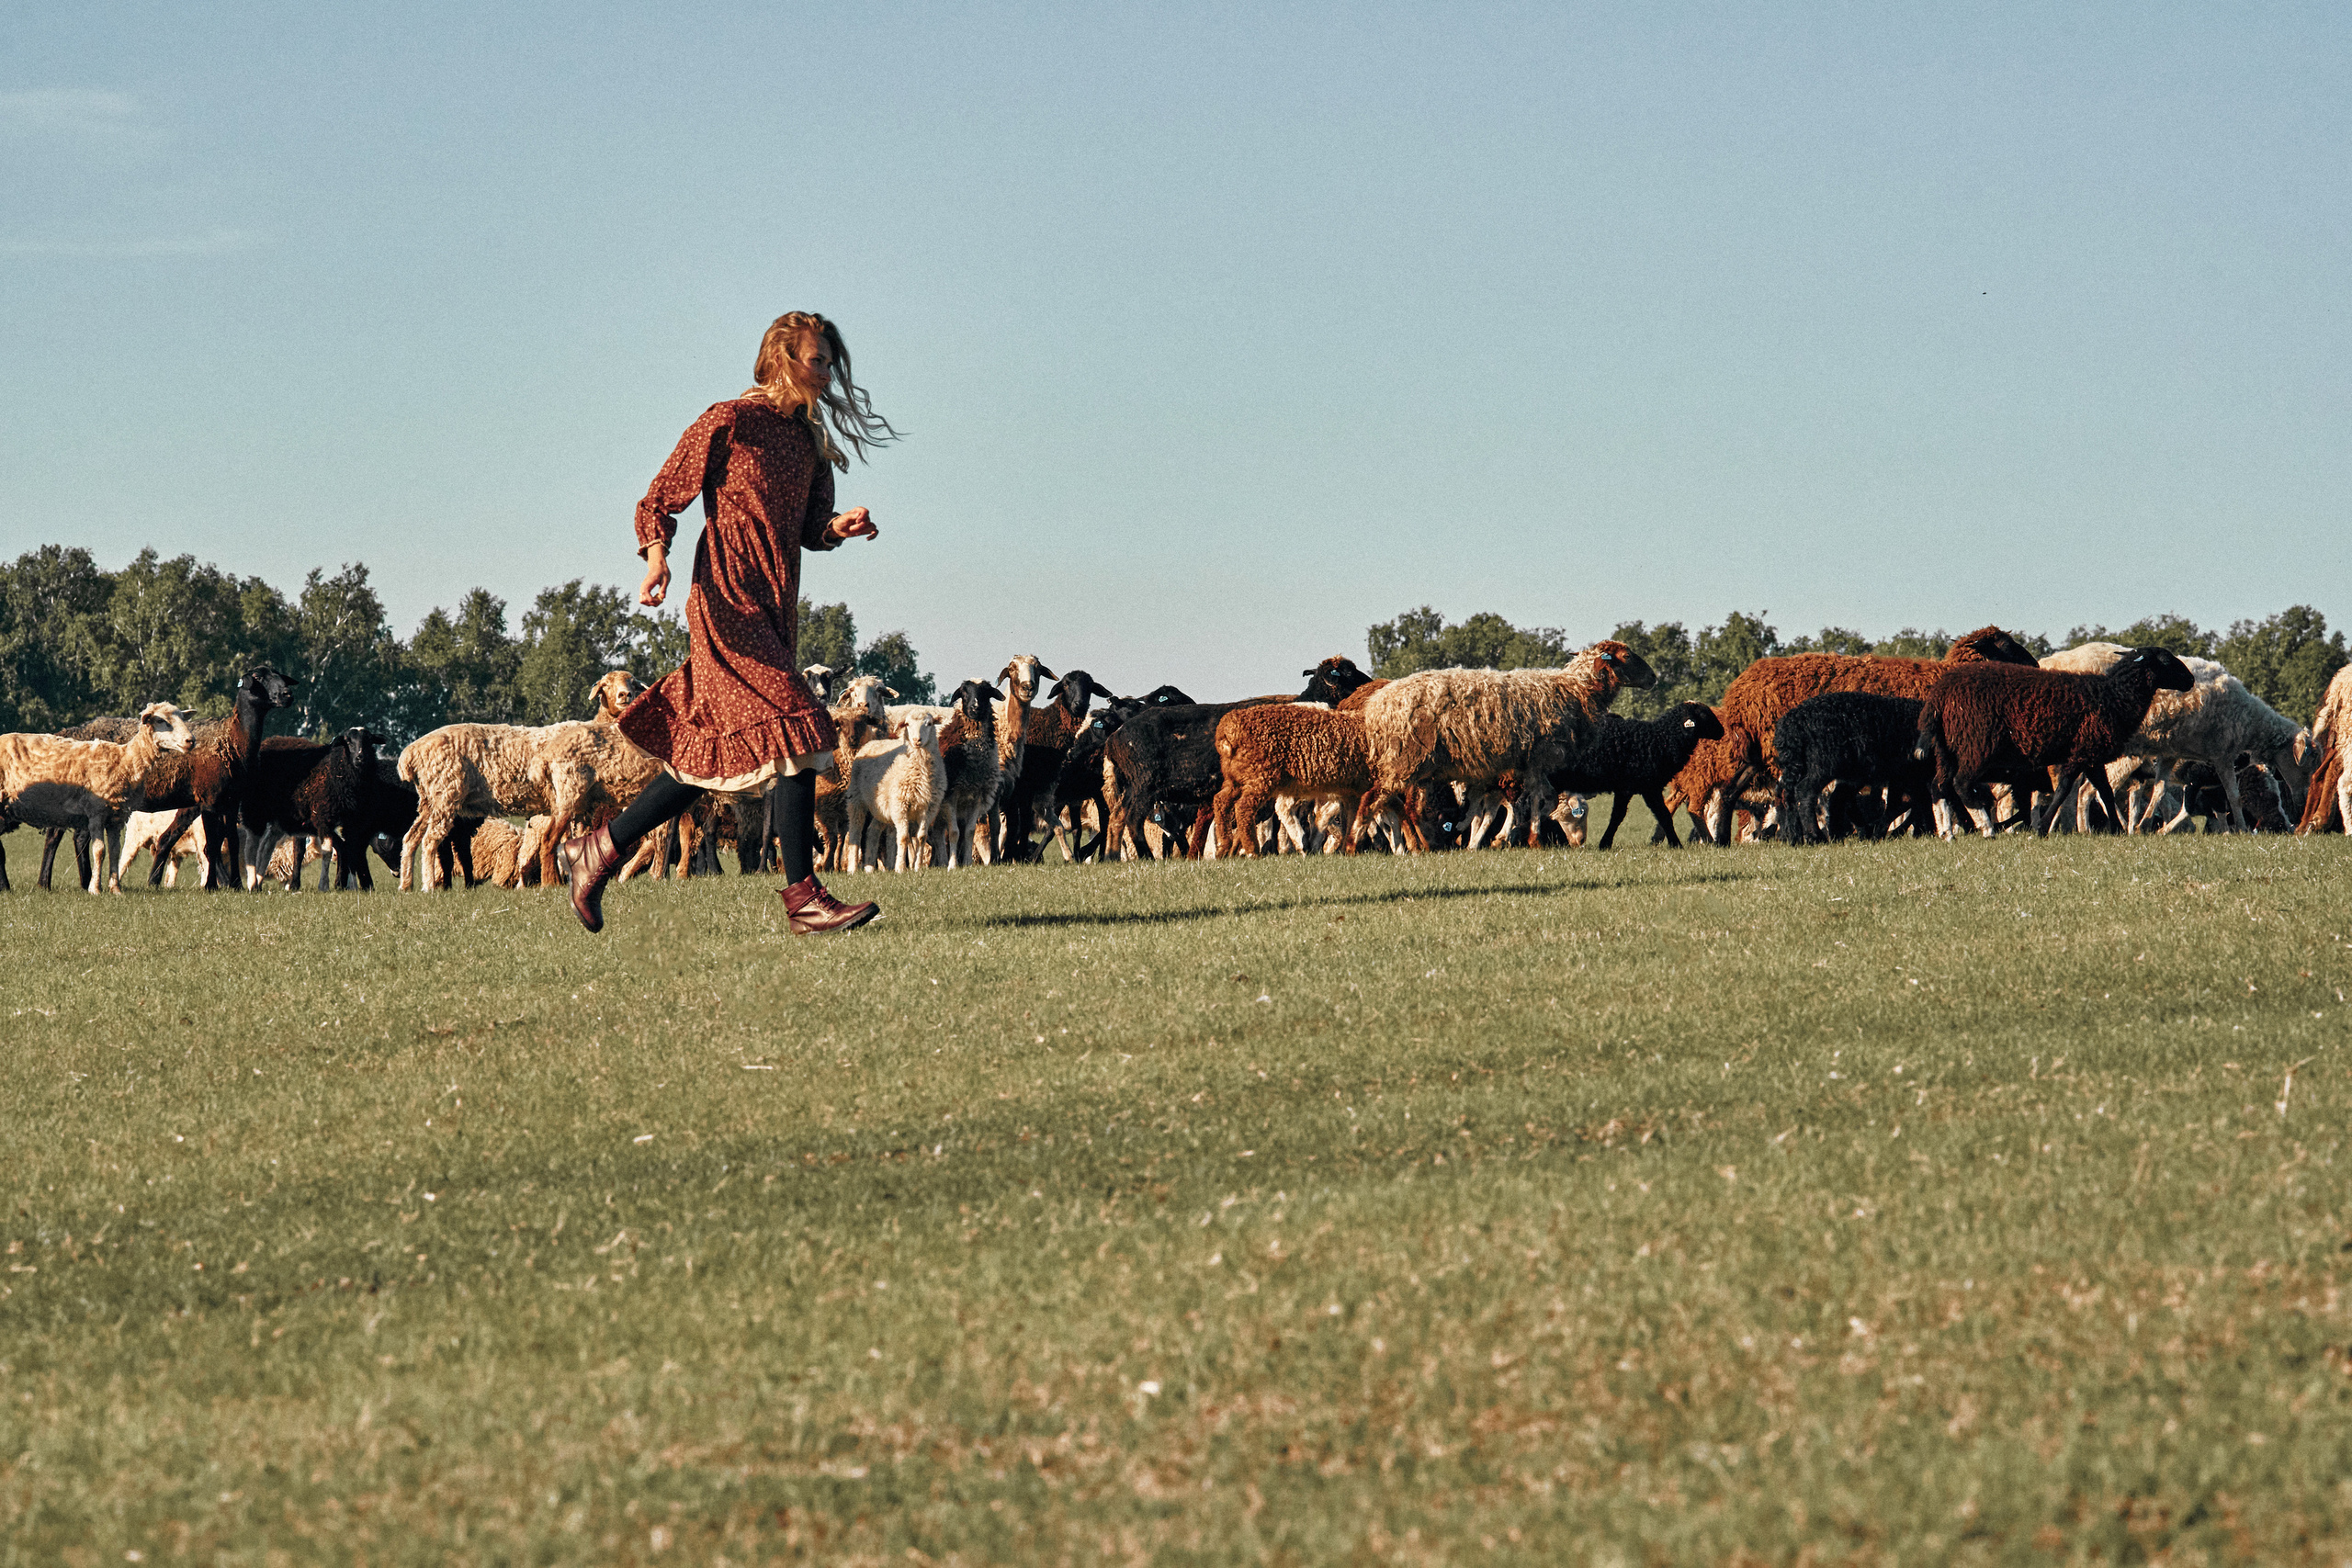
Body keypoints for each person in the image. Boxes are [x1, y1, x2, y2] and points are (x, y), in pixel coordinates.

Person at [557, 311, 898, 934]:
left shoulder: (809, 443)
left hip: (774, 605)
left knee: (710, 751)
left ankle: (597, 850)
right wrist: (656, 558)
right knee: (801, 726)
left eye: (830, 363)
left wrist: (838, 527)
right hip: (724, 599)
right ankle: (804, 898)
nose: (826, 373)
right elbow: (661, 495)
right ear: (781, 359)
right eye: (816, 360)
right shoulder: (730, 421)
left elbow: (809, 527)